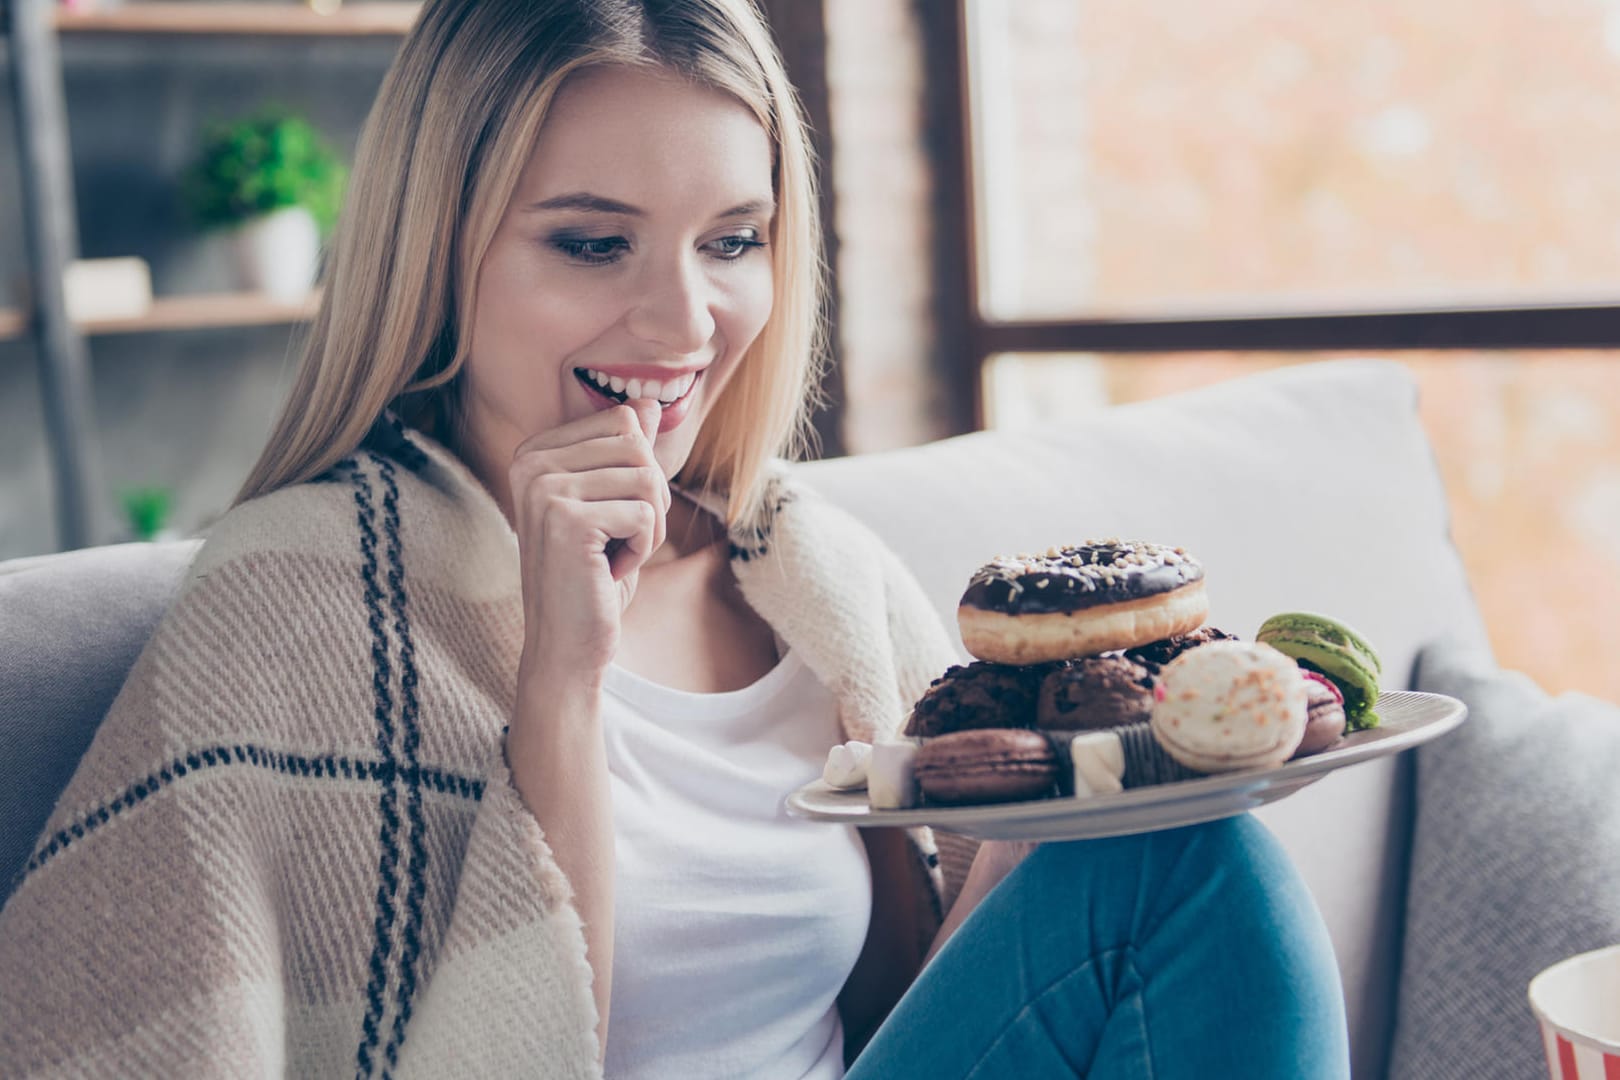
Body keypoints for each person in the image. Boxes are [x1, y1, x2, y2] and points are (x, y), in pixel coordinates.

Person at [0, 0, 1350, 1076]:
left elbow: (903, 1017)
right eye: (593, 244)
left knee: (1191, 849)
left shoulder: (812, 577)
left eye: (733, 240)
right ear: (440, 253)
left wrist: (1041, 808)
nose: (686, 322)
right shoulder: (297, 601)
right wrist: (561, 689)